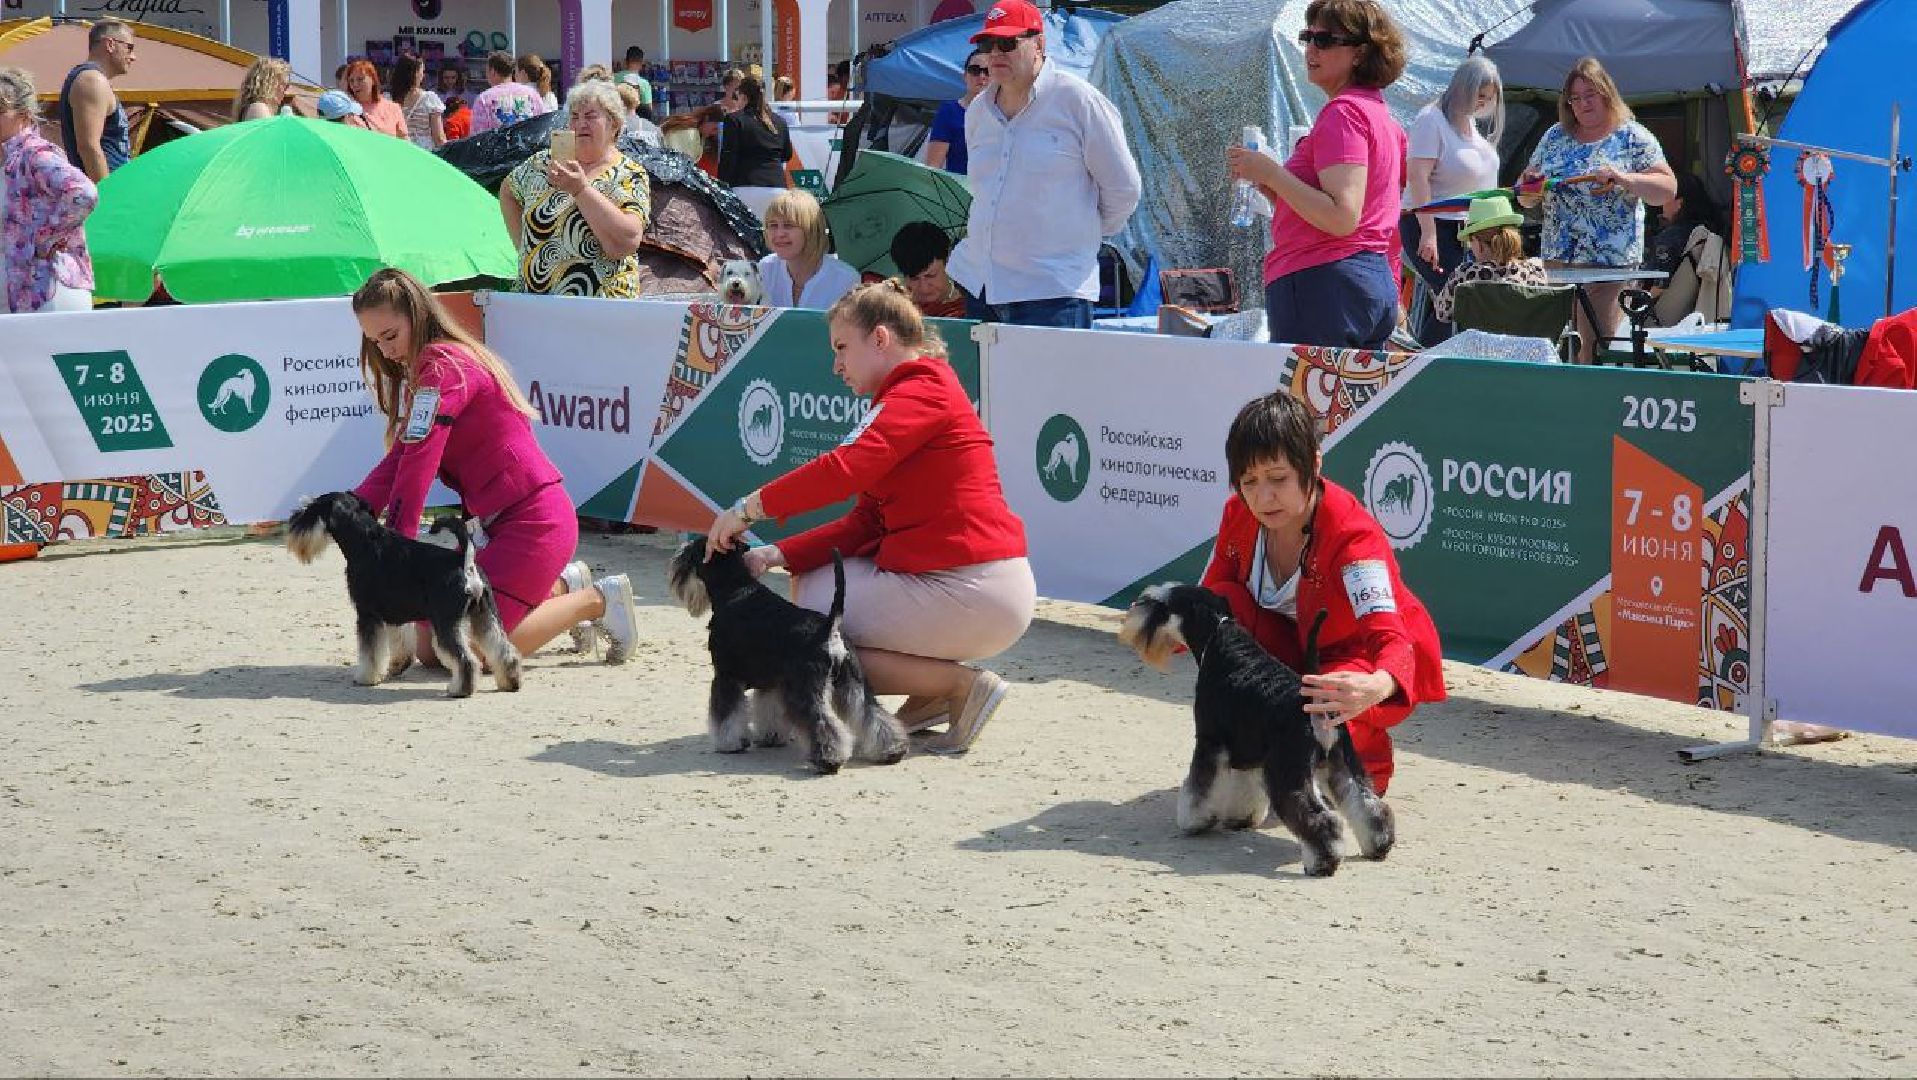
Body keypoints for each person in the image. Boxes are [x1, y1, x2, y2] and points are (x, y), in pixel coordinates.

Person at [706, 282, 1035, 754]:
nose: (836, 365)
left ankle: (961, 686)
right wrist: (776, 553)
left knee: (816, 602)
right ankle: (931, 694)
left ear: (880, 338)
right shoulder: (912, 392)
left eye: (842, 348)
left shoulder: (924, 389)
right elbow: (865, 523)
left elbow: (844, 469)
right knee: (814, 582)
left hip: (976, 587)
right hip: (971, 583)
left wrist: (748, 508)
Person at [348, 268, 639, 666]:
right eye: (374, 342)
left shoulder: (443, 366)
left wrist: (396, 550)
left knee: (473, 650)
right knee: (430, 646)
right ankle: (562, 585)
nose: (385, 352)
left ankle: (599, 599)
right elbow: (401, 456)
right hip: (500, 526)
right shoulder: (433, 367)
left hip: (535, 523)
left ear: (416, 317)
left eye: (390, 336)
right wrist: (347, 510)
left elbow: (418, 463)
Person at [1200, 392, 1446, 794]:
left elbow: (1389, 634)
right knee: (1225, 608)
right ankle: (1256, 756)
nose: (1263, 497)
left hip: (1356, 656)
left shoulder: (1353, 538)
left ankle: (1363, 764)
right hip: (1293, 650)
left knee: (1331, 695)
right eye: (1249, 481)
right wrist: (1161, 625)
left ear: (1313, 464)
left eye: (1278, 478)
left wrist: (1378, 686)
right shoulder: (1237, 515)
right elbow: (1211, 599)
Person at [947, 0, 1141, 329]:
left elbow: (1124, 189)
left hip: (1053, 291)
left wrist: (1081, 235)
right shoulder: (978, 111)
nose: (995, 54)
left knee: (1054, 383)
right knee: (988, 384)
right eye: (987, 44)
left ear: (1039, 43)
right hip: (982, 283)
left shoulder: (1078, 100)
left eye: (1007, 43)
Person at [1227, 0, 1408, 351]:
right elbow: (1366, 214)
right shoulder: (1382, 117)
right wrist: (1270, 185)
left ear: (1359, 53)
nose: (1310, 48)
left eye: (1324, 40)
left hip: (1326, 285)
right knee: (1352, 406)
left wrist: (1273, 173)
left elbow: (1342, 217)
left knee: (1306, 405)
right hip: (1367, 284)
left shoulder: (1344, 114)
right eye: (1307, 37)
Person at [1520, 56, 1676, 363]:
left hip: (1609, 267)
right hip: (1557, 264)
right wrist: (1530, 189)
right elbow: (1524, 196)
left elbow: (1668, 189)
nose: (1582, 104)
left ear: (1606, 93)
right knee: (1554, 347)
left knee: (1592, 345)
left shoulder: (1632, 136)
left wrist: (1623, 178)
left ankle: (1586, 407)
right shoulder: (1555, 136)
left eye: (1589, 95)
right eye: (1574, 98)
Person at [500, 80, 650, 297]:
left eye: (590, 116)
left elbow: (626, 242)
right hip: (536, 305)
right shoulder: (543, 163)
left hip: (600, 310)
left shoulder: (629, 173)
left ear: (614, 124)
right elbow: (508, 191)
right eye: (574, 116)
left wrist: (580, 189)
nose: (580, 124)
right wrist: (525, 248)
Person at [1403, 55, 1502, 346]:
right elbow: (1418, 177)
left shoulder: (1470, 125)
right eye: (1478, 96)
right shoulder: (1430, 120)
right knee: (1456, 295)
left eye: (1487, 98)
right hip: (1433, 223)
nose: (1481, 103)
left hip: (1468, 228)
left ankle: (1433, 357)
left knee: (1461, 296)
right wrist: (1429, 234)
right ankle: (1429, 361)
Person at [2, 66, 97, 314]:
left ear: (23, 114)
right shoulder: (10, 160)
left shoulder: (34, 155)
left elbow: (83, 192)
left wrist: (45, 236)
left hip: (49, 289)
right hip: (22, 294)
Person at [1431, 195, 1548, 325]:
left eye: (1471, 240)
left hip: (1479, 345)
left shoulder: (1465, 275)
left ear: (1479, 244)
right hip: (1526, 344)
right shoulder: (1535, 270)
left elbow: (1442, 313)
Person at [59, 19, 135, 182]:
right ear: (110, 44)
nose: (133, 56)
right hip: (102, 193)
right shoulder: (91, 80)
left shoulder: (94, 79)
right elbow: (88, 147)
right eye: (129, 48)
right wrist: (107, 196)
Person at [757, 189, 859, 308]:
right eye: (773, 225)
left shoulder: (846, 279)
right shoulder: (764, 269)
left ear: (811, 230)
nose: (779, 234)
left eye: (789, 225)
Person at [717, 74, 793, 221]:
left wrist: (721, 188)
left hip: (745, 187)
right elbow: (787, 154)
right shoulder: (780, 122)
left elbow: (728, 158)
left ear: (743, 96)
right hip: (777, 188)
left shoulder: (734, 120)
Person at [926, 46, 989, 175]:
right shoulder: (949, 112)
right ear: (965, 76)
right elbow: (932, 167)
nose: (982, 76)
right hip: (959, 190)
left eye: (988, 71)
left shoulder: (1005, 113)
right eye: (975, 70)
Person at [889, 221, 968, 317]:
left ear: (948, 261)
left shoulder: (971, 307)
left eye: (931, 275)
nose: (924, 288)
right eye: (914, 278)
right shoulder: (892, 307)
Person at [470, 51, 545, 135]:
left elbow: (478, 137)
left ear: (493, 72)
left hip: (498, 147)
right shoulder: (532, 94)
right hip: (527, 146)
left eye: (487, 71)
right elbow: (542, 126)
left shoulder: (484, 99)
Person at [391, 55, 447, 149]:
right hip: (423, 152)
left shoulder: (388, 98)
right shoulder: (429, 99)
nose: (423, 75)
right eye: (422, 71)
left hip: (398, 150)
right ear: (416, 74)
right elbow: (439, 138)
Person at [343, 58, 406, 138]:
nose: (355, 84)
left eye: (360, 79)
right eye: (351, 81)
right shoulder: (347, 111)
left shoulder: (393, 108)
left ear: (372, 80)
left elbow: (405, 142)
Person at [233, 57, 293, 122]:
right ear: (270, 83)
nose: (286, 92)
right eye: (284, 85)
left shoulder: (256, 107)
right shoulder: (259, 108)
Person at [617, 46, 655, 121]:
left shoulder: (613, 78)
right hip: (636, 122)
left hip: (617, 119)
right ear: (641, 63)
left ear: (625, 61)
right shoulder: (644, 84)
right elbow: (648, 110)